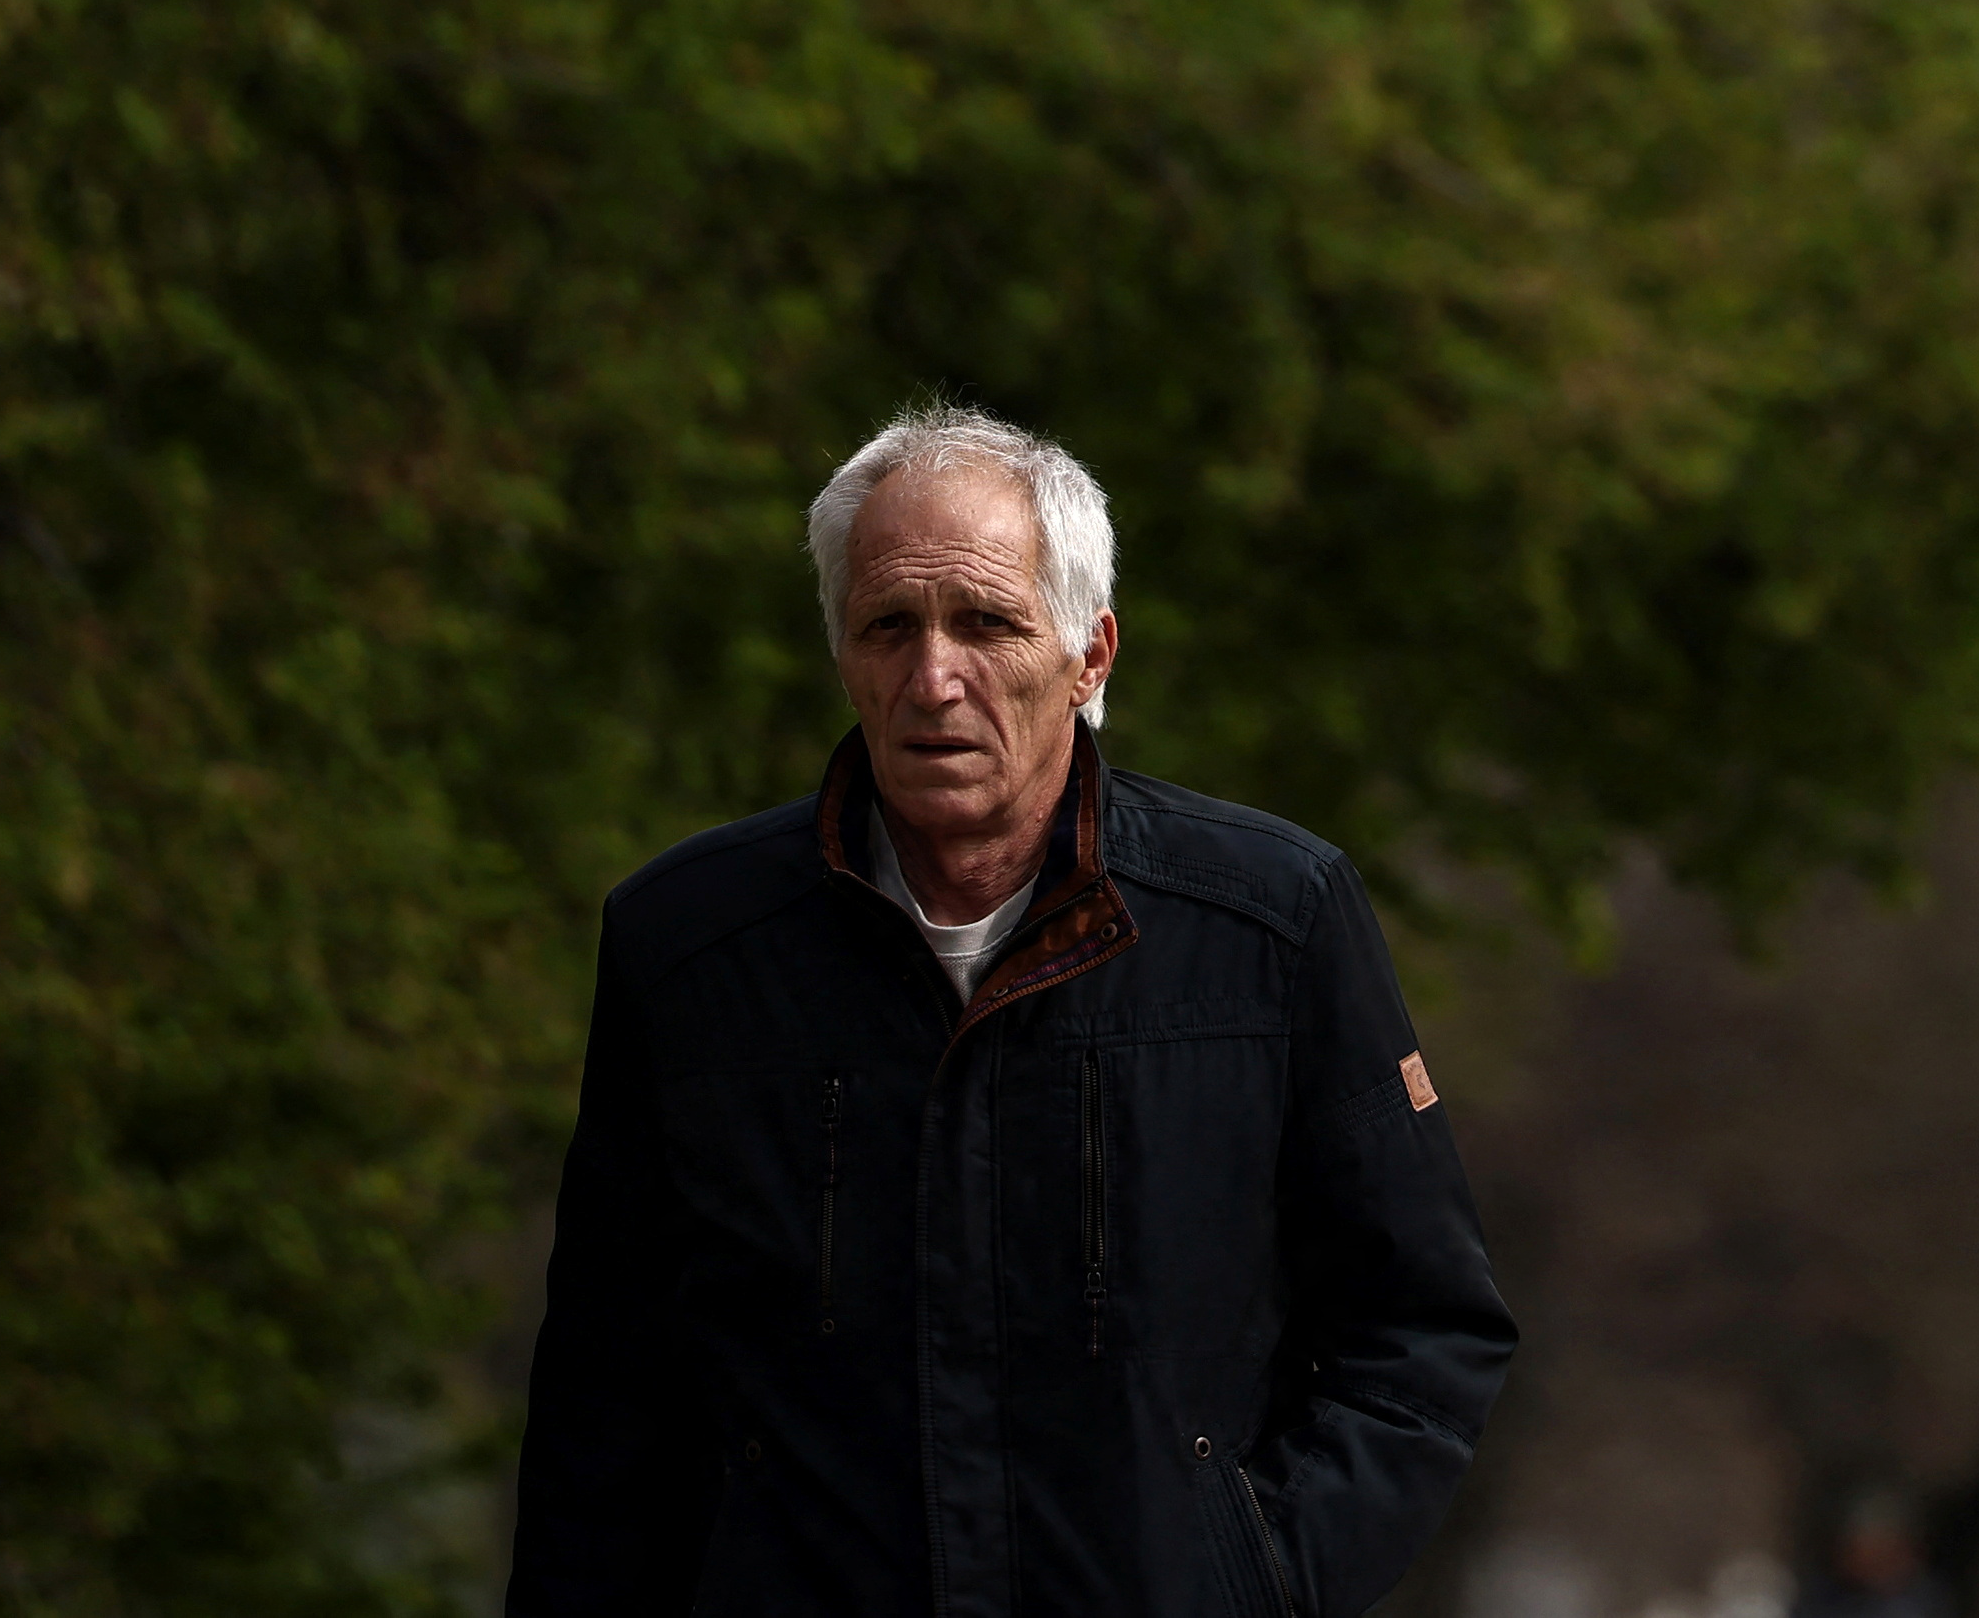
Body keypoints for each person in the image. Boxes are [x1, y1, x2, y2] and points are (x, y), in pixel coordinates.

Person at [513, 409, 1514, 1618]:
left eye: (985, 622)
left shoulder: (1271, 923)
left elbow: (1420, 1328)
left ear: (1089, 655)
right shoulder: (689, 946)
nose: (936, 677)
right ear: (842, 652)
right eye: (891, 626)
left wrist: (1255, 1580)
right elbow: (604, 1393)